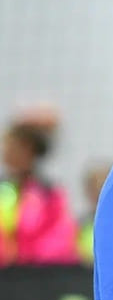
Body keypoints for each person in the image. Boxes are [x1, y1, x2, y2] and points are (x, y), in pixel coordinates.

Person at [0, 108, 80, 266]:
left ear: (30, 150)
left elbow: (60, 240)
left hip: (37, 273)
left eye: (12, 147)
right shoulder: (4, 189)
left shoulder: (50, 194)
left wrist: (25, 256)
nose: (6, 152)